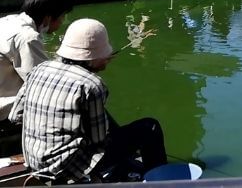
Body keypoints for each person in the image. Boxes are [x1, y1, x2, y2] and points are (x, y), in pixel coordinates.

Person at [9, 19, 167, 183]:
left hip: (34, 161)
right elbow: (98, 140)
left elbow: (15, 116)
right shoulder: (91, 84)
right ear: (92, 56)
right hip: (67, 168)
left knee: (101, 115)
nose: (107, 59)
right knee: (150, 127)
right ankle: (159, 182)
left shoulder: (39, 69)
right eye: (104, 56)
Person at [0, 0, 73, 152]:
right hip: (5, 110)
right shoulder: (27, 37)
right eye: (62, 17)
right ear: (48, 18)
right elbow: (42, 85)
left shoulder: (7, 21)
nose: (62, 22)